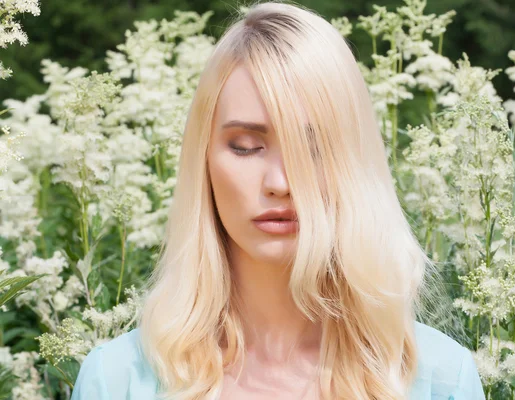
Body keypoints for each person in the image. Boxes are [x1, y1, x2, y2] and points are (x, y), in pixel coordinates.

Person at [71, 1, 486, 399]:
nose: (280, 182)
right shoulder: (117, 381)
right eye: (247, 146)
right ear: (204, 162)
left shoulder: (438, 379)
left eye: (313, 148)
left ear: (354, 165)